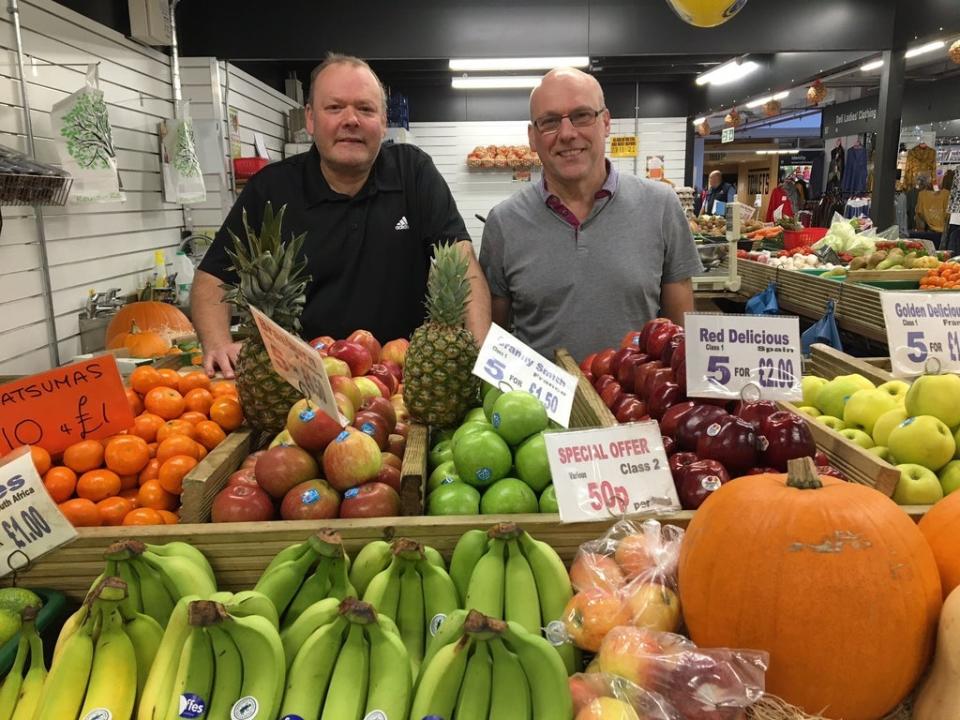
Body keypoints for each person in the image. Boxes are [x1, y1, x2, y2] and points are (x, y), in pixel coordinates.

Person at [192, 53, 490, 377]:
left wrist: (479, 359)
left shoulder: (413, 172)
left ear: (383, 120)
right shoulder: (271, 188)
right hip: (298, 383)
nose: (351, 120)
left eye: (365, 108)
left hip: (406, 382)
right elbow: (212, 278)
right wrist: (218, 343)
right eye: (334, 108)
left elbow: (463, 263)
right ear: (310, 118)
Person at [478, 67, 703, 361]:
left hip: (631, 405)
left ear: (606, 122)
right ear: (533, 138)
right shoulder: (504, 223)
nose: (568, 134)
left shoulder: (661, 206)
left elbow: (680, 340)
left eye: (582, 115)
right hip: (534, 407)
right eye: (550, 122)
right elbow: (495, 341)